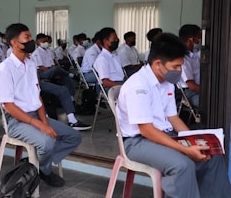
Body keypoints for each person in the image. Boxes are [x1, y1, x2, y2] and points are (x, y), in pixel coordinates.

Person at [117, 33, 231, 198]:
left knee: (211, 155)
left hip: (164, 135)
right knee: (182, 165)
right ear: (158, 64)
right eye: (176, 66)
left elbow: (173, 118)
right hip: (137, 142)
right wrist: (185, 149)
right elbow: (146, 130)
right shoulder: (138, 86)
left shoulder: (166, 82)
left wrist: (192, 138)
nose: (179, 71)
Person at [0, 23, 81, 187]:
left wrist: (45, 122)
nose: (31, 41)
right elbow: (10, 107)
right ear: (14, 42)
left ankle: (36, 164)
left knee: (73, 137)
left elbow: (37, 96)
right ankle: (45, 171)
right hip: (16, 120)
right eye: (26, 38)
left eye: (30, 37)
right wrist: (39, 126)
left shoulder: (30, 64)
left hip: (36, 115)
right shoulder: (4, 69)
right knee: (47, 142)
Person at [93, 27, 124, 92]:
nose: (117, 41)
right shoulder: (102, 58)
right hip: (109, 87)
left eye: (117, 39)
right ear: (105, 41)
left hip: (118, 84)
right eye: (114, 39)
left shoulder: (114, 56)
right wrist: (123, 87)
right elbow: (106, 82)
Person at [178, 24, 201, 108]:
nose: (200, 41)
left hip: (199, 89)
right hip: (191, 93)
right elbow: (192, 86)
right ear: (191, 39)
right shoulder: (184, 59)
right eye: (198, 38)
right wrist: (209, 94)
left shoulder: (194, 55)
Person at [81, 31, 102, 96]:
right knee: (102, 78)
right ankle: (99, 97)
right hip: (87, 74)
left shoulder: (101, 49)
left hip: (95, 72)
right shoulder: (92, 51)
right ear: (98, 41)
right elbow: (94, 67)